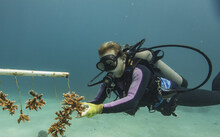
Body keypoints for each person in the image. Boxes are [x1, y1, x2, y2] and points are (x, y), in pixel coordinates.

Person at [81, 41, 220, 118]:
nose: (107, 68)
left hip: (174, 95)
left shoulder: (139, 71)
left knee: (218, 97)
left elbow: (131, 100)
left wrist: (99, 109)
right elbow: (96, 102)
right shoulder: (110, 79)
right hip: (157, 103)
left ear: (123, 58)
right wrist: (78, 106)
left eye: (110, 62)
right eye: (102, 65)